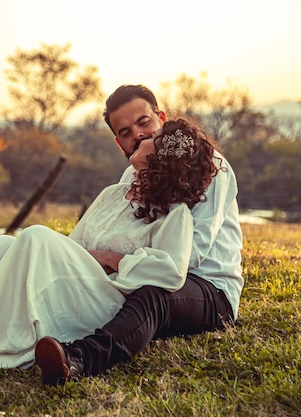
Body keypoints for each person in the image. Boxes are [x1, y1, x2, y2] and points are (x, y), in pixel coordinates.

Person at [0, 115, 221, 385]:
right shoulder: (113, 194)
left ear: (161, 157)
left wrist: (113, 259)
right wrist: (70, 261)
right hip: (80, 287)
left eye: (154, 136)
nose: (143, 136)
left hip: (109, 300)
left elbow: (172, 271)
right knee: (1, 245)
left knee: (34, 237)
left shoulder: (174, 213)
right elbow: (72, 247)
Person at [34, 84, 243, 386]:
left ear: (161, 117)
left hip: (208, 288)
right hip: (145, 271)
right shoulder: (133, 175)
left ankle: (80, 359)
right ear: (119, 143)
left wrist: (114, 260)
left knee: (152, 295)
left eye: (144, 122)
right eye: (126, 132)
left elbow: (190, 258)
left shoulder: (211, 168)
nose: (139, 135)